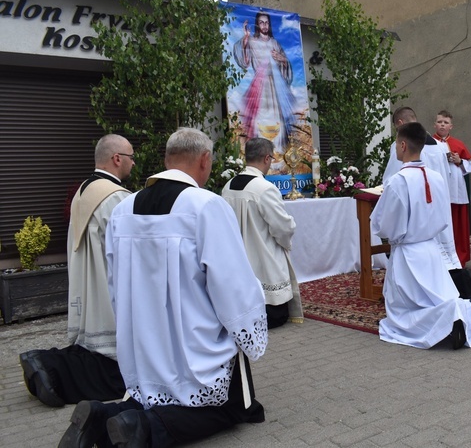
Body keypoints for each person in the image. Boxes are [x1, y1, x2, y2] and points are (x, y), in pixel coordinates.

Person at [59, 128, 268, 448]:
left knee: (154, 396)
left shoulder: (124, 210)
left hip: (145, 342)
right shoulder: (205, 206)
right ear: (205, 160)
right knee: (232, 408)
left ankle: (103, 417)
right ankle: (142, 427)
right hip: (194, 339)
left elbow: (115, 282)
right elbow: (232, 283)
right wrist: (248, 324)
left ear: (167, 160)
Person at [19, 135, 133, 407]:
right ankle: (49, 364)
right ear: (117, 159)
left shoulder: (83, 190)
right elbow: (130, 254)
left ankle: (46, 363)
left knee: (94, 351)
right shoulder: (117, 198)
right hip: (107, 288)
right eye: (131, 157)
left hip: (86, 284)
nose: (133, 164)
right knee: (118, 376)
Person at [371, 122, 471, 350]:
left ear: (403, 145)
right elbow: (444, 217)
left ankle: (450, 320)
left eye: (397, 144)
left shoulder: (398, 181)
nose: (396, 148)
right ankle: (466, 312)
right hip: (431, 250)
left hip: (408, 254)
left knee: (402, 312)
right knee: (438, 295)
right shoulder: (436, 177)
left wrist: (388, 231)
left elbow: (383, 224)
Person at [222, 137, 303, 328]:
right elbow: (283, 227)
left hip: (237, 259)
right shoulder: (264, 188)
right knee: (275, 315)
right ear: (267, 158)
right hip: (263, 258)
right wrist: (286, 239)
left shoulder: (228, 187)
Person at [382, 106, 461, 270]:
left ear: (400, 123)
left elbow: (392, 180)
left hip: (417, 210)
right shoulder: (439, 146)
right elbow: (446, 175)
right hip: (438, 208)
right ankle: (452, 276)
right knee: (443, 254)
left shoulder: (401, 145)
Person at [232, 12, 299, 159]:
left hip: (275, 86)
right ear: (257, 24)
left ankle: (277, 152)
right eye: (261, 23)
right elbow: (244, 60)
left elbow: (285, 62)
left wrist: (282, 59)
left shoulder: (274, 43)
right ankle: (260, 155)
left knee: (277, 119)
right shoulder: (252, 41)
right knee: (259, 119)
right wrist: (245, 38)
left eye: (267, 23)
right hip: (259, 85)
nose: (264, 25)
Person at [432, 110, 471, 267]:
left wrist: (459, 161)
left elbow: (470, 165)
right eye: (440, 121)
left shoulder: (458, 143)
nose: (442, 124)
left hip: (455, 190)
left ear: (451, 126)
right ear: (434, 124)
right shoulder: (429, 143)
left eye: (446, 122)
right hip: (439, 188)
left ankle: (460, 258)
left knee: (458, 225)